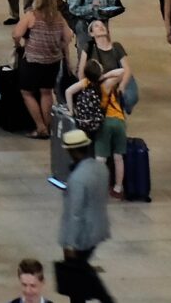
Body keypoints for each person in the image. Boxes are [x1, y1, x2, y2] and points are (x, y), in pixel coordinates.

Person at [58, 127, 113, 303]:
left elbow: (75, 213)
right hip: (99, 227)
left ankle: (105, 299)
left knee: (78, 274)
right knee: (81, 273)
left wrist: (70, 244)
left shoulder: (77, 179)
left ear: (72, 151)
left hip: (82, 236)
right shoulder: (100, 168)